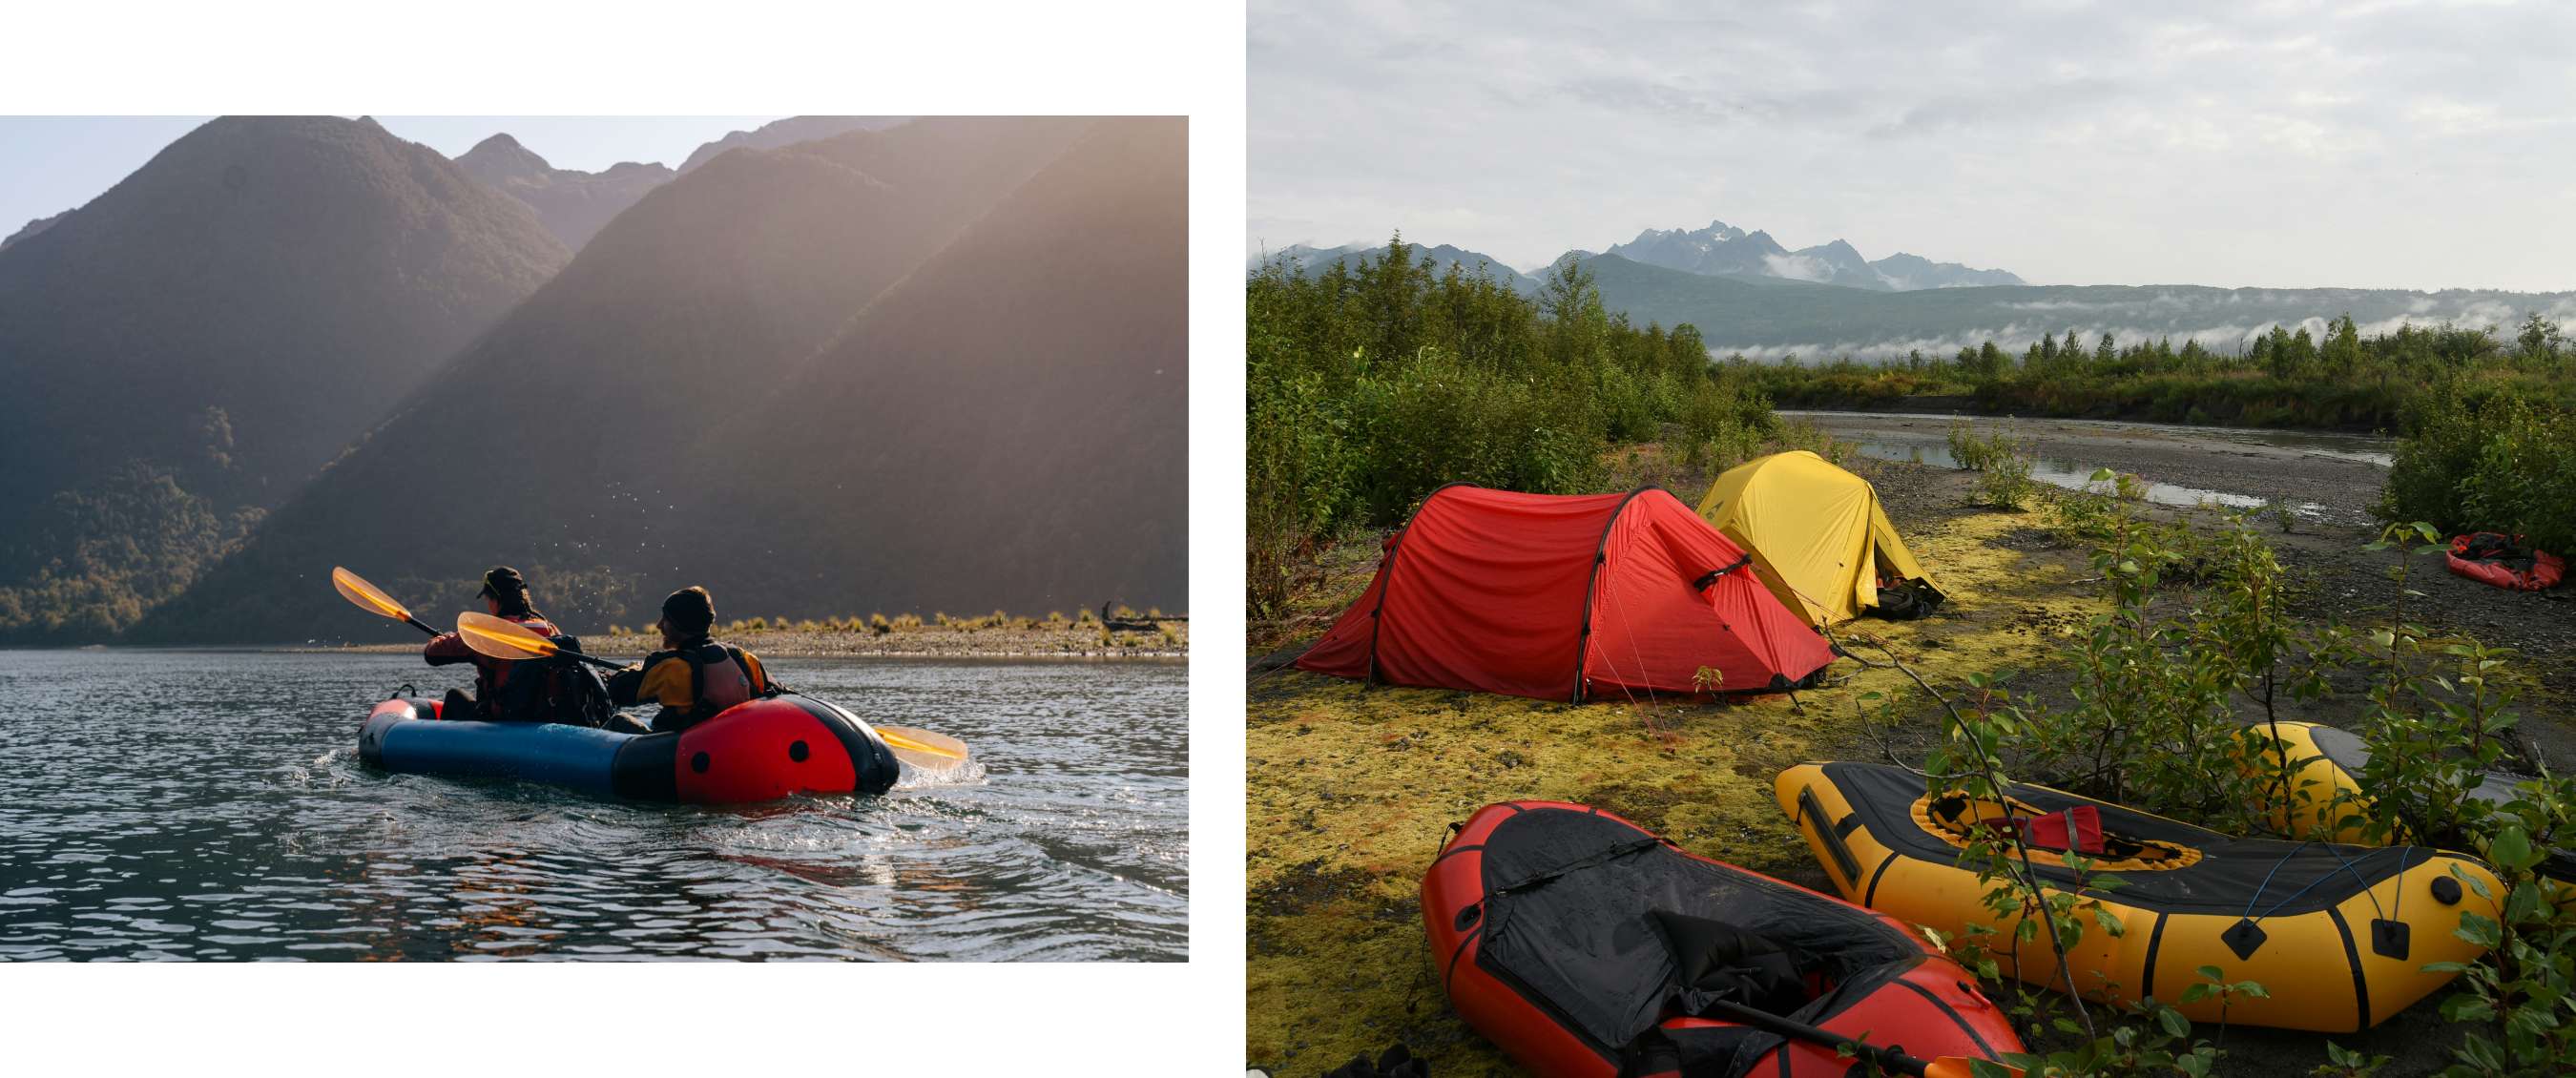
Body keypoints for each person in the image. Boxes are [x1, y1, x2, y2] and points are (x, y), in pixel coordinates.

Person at [607, 586, 775, 733]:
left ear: (679, 625)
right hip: (734, 743)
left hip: (676, 753)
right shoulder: (745, 657)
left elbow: (617, 690)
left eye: (666, 619)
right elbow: (777, 693)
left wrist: (633, 668)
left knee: (617, 721)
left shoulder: (671, 666)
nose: (659, 625)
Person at [423, 566, 562, 722]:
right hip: (543, 717)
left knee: (454, 696)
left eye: (488, 599)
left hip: (502, 720)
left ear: (496, 600)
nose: (488, 605)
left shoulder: (489, 633)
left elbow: (432, 654)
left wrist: (443, 638)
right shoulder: (549, 629)